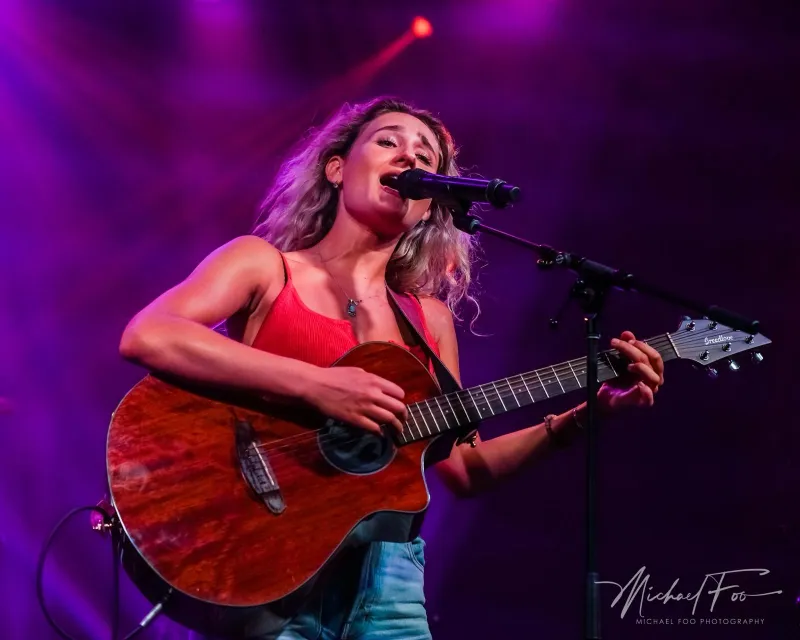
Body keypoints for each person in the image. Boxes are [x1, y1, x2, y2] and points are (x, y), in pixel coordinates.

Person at [119, 97, 665, 640]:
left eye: (424, 155)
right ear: (336, 168)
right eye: (388, 142)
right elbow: (151, 334)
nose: (408, 159)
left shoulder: (429, 320)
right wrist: (320, 386)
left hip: (390, 587)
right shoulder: (263, 264)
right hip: (267, 559)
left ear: (431, 203)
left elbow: (464, 469)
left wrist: (589, 414)